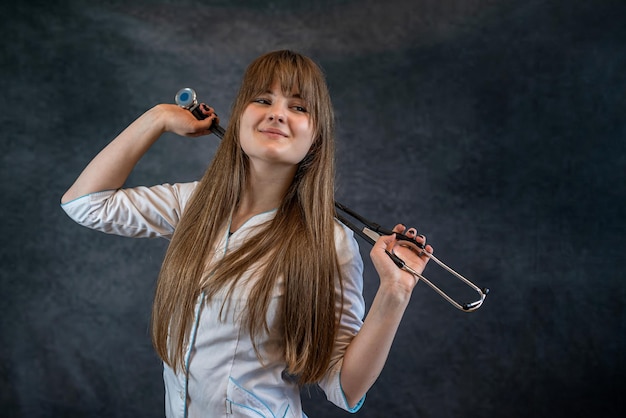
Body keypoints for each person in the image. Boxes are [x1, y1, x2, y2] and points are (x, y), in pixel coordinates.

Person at [61, 49, 432, 417]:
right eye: (263, 99)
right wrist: (157, 118)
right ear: (239, 117)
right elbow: (85, 204)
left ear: (315, 138)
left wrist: (394, 293)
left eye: (299, 107)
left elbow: (344, 388)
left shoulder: (331, 243)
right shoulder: (193, 204)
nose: (277, 113)